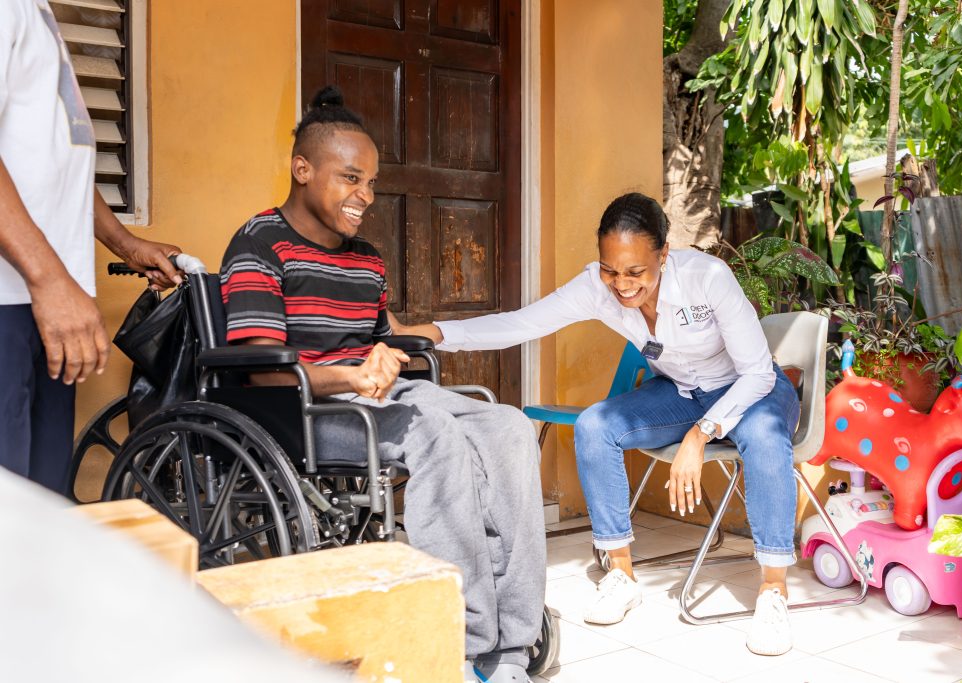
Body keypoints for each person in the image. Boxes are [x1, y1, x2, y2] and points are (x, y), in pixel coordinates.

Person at [220, 86, 545, 683]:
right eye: (350, 179)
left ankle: (514, 642)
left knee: (509, 427)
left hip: (375, 393)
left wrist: (388, 352)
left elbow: (380, 334)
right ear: (302, 169)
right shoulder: (258, 245)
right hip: (298, 404)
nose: (364, 196)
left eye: (370, 182)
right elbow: (262, 366)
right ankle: (467, 644)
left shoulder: (366, 258)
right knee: (436, 438)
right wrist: (353, 372)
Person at [400, 192, 803, 656]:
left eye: (636, 272)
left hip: (752, 390)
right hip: (682, 393)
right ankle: (620, 574)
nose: (622, 285)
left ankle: (773, 589)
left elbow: (755, 372)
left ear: (664, 255)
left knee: (766, 436)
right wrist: (439, 333)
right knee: (596, 424)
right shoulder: (596, 286)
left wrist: (701, 433)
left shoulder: (707, 278)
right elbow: (522, 323)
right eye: (611, 270)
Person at [0, 0, 181, 495]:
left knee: (39, 503)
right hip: (14, 301)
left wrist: (124, 243)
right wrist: (51, 282)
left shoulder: (34, 11)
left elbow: (56, 160)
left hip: (44, 303)